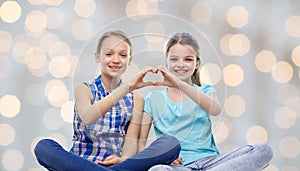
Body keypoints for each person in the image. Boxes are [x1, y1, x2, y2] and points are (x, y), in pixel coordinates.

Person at [34, 30, 180, 171]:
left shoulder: (136, 99)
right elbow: (88, 117)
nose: (116, 60)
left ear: (129, 60)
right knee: (43, 147)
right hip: (80, 162)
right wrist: (127, 88)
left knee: (171, 144)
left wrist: (123, 160)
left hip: (117, 165)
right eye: (109, 54)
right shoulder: (85, 89)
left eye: (123, 55)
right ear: (98, 57)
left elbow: (130, 146)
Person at [139, 32, 273, 171]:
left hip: (212, 163)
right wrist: (162, 157)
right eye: (174, 59)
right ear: (167, 62)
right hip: (178, 167)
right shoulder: (153, 98)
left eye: (188, 59)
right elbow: (140, 144)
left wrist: (181, 85)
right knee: (157, 170)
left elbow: (215, 110)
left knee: (263, 150)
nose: (181, 64)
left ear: (197, 63)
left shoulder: (205, 91)